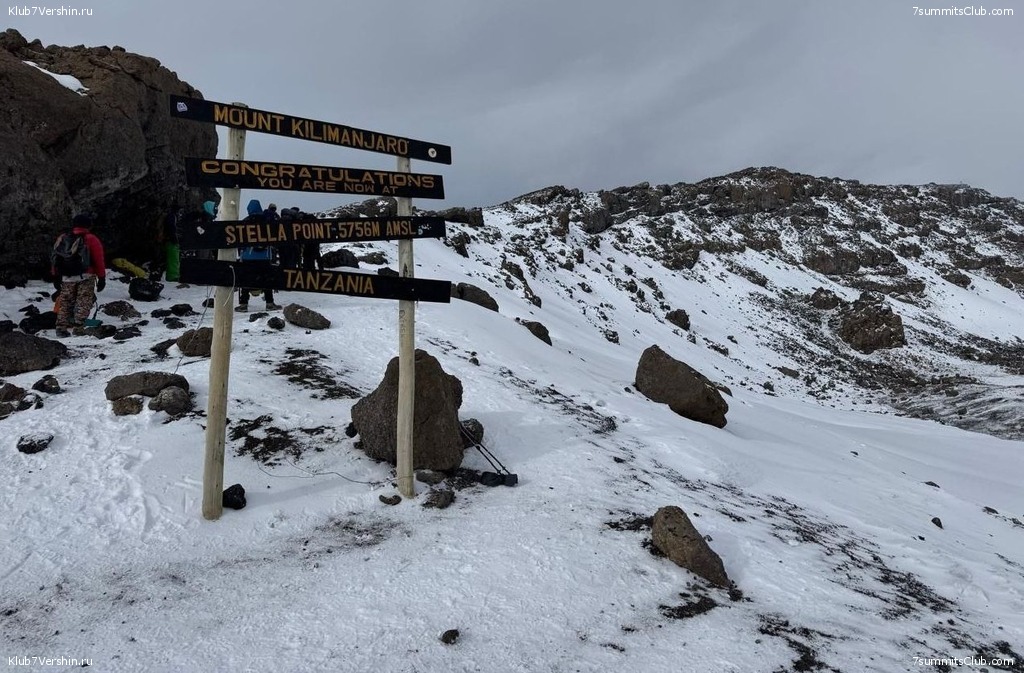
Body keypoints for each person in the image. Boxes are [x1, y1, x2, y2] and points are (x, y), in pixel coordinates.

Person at [51, 213, 106, 337]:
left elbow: (55, 258)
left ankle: (61, 328)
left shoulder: (63, 238)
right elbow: (99, 260)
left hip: (66, 276)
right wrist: (102, 277)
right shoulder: (91, 239)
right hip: (86, 275)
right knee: (83, 301)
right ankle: (78, 328)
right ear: (88, 225)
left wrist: (55, 275)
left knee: (65, 302)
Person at [236, 199, 281, 312]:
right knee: (266, 279)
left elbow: (240, 240)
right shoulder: (266, 220)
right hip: (265, 256)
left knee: (246, 280)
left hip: (248, 256)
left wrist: (241, 253)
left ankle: (243, 304)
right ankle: (269, 303)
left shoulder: (245, 222)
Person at [163, 203, 183, 281]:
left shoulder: (170, 216)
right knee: (173, 259)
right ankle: (173, 277)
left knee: (172, 259)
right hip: (171, 241)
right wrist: (175, 240)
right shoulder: (172, 216)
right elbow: (171, 228)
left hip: (168, 240)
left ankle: (171, 275)